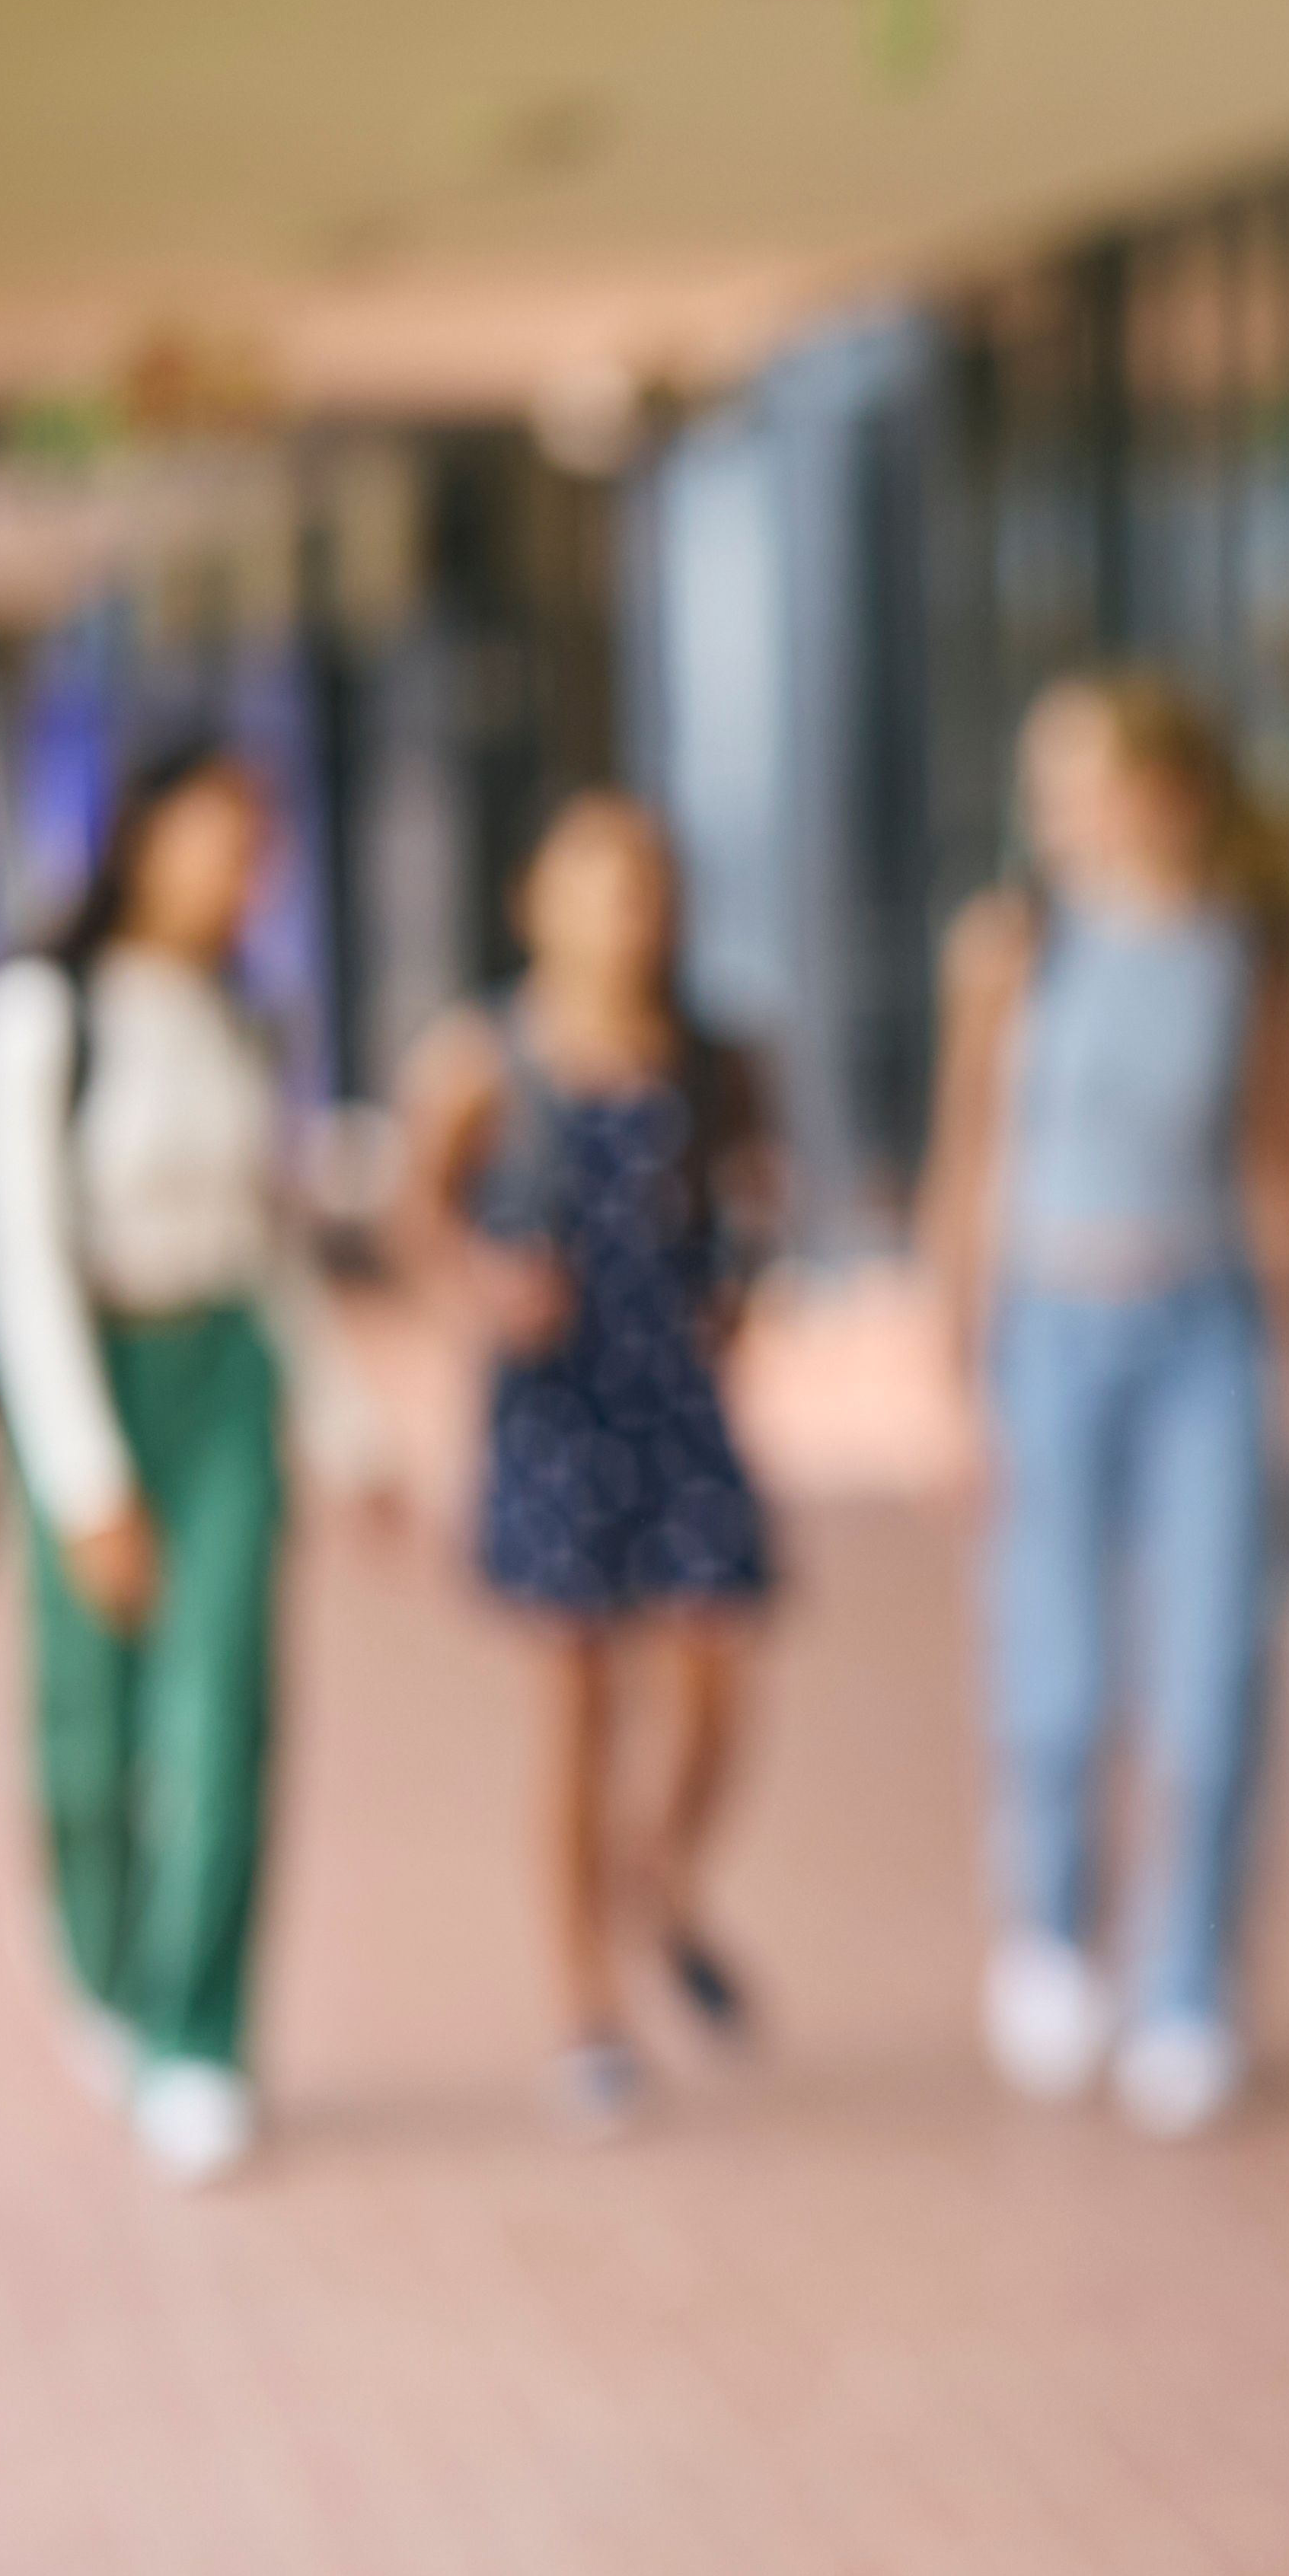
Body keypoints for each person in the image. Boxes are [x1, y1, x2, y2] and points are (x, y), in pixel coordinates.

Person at [920, 671, 1289, 2136]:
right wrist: (957, 1356)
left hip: (1206, 1332)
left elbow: (1280, 1179)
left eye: (1077, 774)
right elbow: (970, 1156)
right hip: (1053, 1327)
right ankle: (1053, 1929)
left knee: (1213, 1665)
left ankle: (1186, 1981)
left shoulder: (1245, 959)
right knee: (1055, 1657)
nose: (1050, 807)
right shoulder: (1014, 946)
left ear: (1163, 789)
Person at [0, 738, 388, 2185]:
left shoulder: (240, 1017)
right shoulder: (40, 1010)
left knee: (225, 1713)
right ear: (142, 838)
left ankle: (200, 2031)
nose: (230, 873)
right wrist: (84, 1478)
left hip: (226, 1383)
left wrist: (347, 1427)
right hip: (95, 1368)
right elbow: (22, 1255)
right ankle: (107, 1967)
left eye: (251, 845)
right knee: (89, 1732)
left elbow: (267, 1246)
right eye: (208, 838)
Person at [391, 792, 778, 2134]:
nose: (629, 913)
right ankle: (586, 2004)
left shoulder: (714, 1053)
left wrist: (743, 1282)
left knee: (718, 1677)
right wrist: (480, 1290)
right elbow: (417, 1217)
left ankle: (654, 1878)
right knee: (576, 1706)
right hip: (555, 1410)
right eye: (599, 883)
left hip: (677, 1399)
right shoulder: (483, 1057)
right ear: (537, 902)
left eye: (647, 885)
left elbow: (751, 1199)